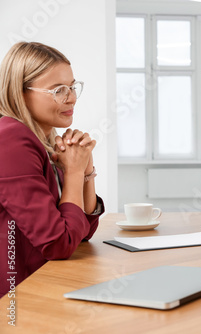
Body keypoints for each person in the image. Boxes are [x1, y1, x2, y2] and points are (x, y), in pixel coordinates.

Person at [0, 42, 105, 297]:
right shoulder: (12, 139)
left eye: (72, 86)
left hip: (42, 283)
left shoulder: (42, 139)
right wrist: (74, 173)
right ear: (20, 92)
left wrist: (85, 168)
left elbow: (83, 231)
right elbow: (59, 243)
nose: (71, 98)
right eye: (58, 90)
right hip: (17, 297)